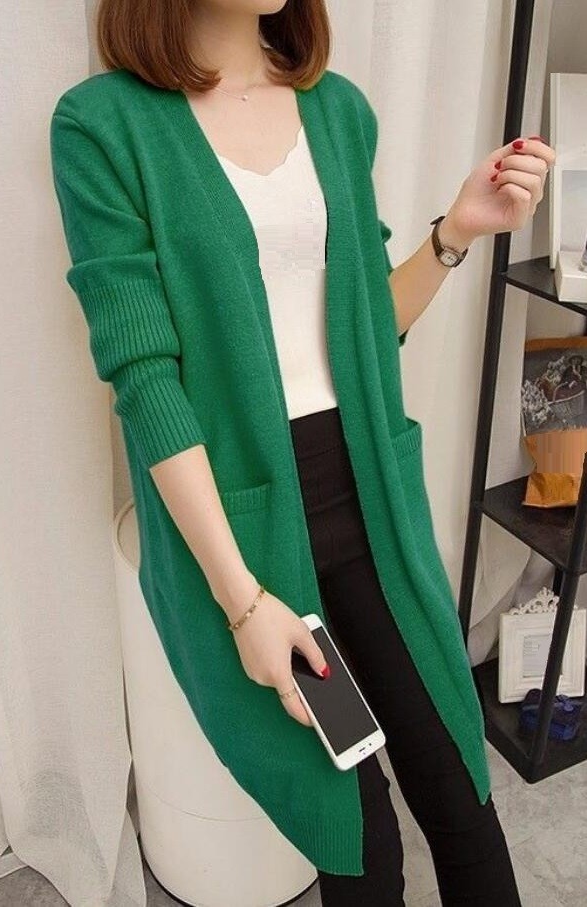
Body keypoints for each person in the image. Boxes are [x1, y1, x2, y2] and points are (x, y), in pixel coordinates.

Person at [51, 1, 555, 903]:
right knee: (358, 840)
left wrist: (455, 232)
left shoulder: (337, 110)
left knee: (457, 789)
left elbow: (363, 334)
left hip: (372, 504)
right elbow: (146, 382)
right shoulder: (103, 125)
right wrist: (243, 604)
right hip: (247, 537)